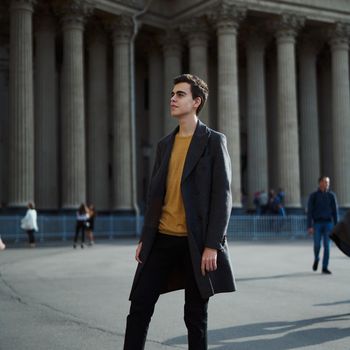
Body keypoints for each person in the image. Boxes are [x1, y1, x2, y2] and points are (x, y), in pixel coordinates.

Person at [123, 74, 236, 350]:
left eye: (180, 94)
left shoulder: (213, 142)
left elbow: (222, 198)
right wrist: (145, 238)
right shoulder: (165, 145)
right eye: (173, 93)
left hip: (196, 244)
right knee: (139, 307)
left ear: (196, 102)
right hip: (161, 239)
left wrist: (212, 245)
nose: (173, 98)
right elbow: (155, 197)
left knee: (195, 316)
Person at [307, 176, 339, 274]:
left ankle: (325, 267)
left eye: (328, 182)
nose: (327, 184)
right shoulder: (313, 196)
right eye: (325, 182)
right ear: (320, 183)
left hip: (328, 223)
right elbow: (310, 212)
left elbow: (335, 212)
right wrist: (309, 226)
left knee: (327, 246)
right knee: (317, 245)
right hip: (317, 224)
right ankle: (316, 258)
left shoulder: (331, 196)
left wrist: (337, 226)